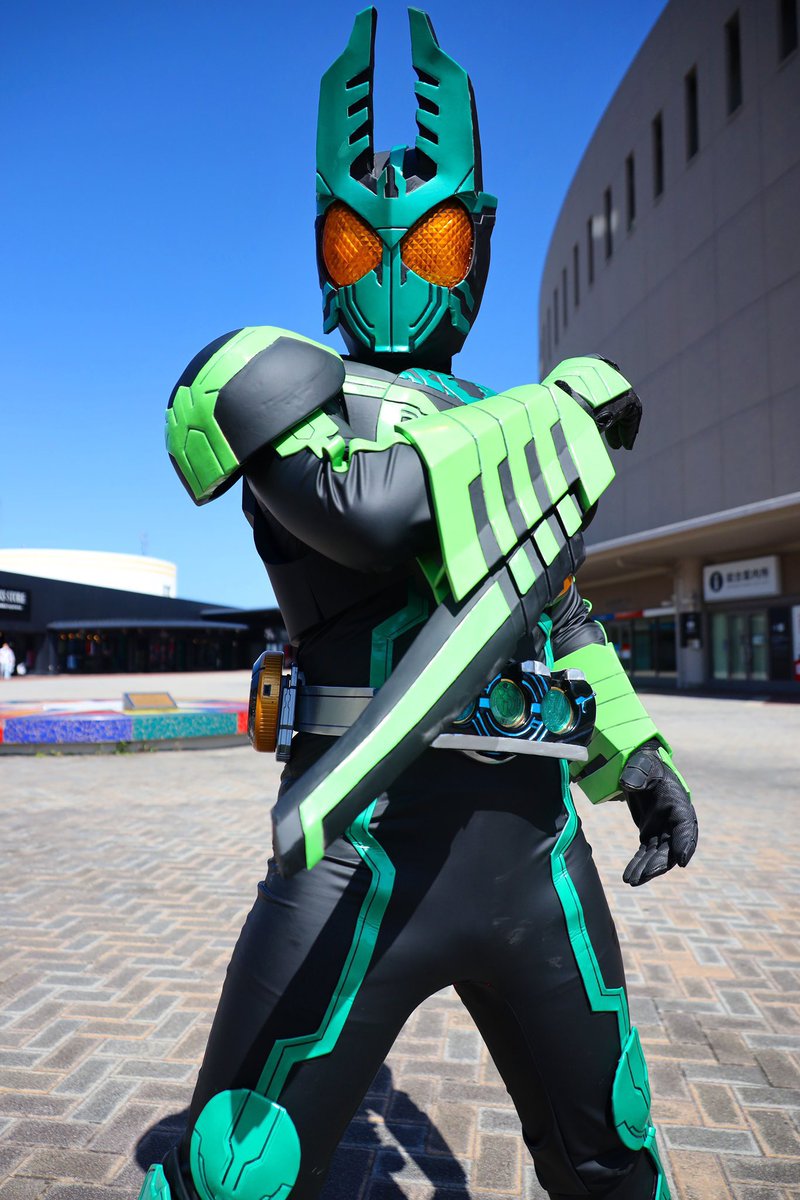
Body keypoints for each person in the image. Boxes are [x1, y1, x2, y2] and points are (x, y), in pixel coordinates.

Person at [139, 10, 697, 1199]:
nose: (392, 271)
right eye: (356, 243)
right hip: (360, 850)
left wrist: (636, 755)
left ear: (475, 246)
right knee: (234, 1174)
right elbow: (375, 511)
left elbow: (555, 612)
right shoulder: (276, 379)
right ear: (322, 246)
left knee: (614, 1159)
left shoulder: (516, 426)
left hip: (535, 846)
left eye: (434, 244)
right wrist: (557, 413)